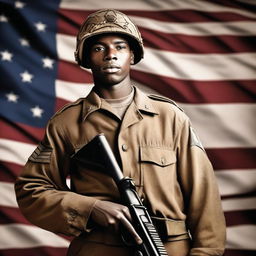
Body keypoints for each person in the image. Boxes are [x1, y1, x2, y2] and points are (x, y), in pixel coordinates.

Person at [15, 9, 226, 256]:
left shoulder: (170, 117)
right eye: (98, 48)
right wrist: (91, 208)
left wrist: (205, 253)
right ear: (85, 58)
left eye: (120, 47)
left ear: (132, 56)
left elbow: (204, 194)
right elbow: (32, 190)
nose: (110, 55)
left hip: (169, 249)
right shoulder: (67, 123)